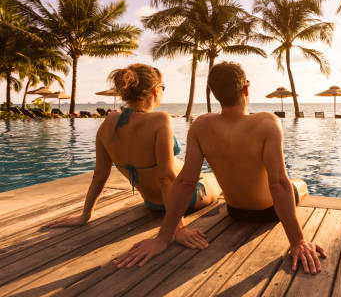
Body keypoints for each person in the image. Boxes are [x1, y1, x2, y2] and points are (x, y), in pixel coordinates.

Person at [114, 61, 326, 274]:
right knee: (298, 183)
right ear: (246, 89)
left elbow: (186, 183)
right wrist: (298, 241)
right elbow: (279, 184)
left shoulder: (201, 126)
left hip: (235, 212)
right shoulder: (267, 123)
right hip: (268, 213)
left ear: (215, 94)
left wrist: (163, 238)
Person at [45, 63, 219, 250]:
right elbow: (166, 178)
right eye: (163, 88)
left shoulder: (108, 123)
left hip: (151, 203)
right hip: (183, 201)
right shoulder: (160, 120)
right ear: (155, 90)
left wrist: (85, 216)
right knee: (216, 178)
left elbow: (99, 175)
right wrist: (178, 229)